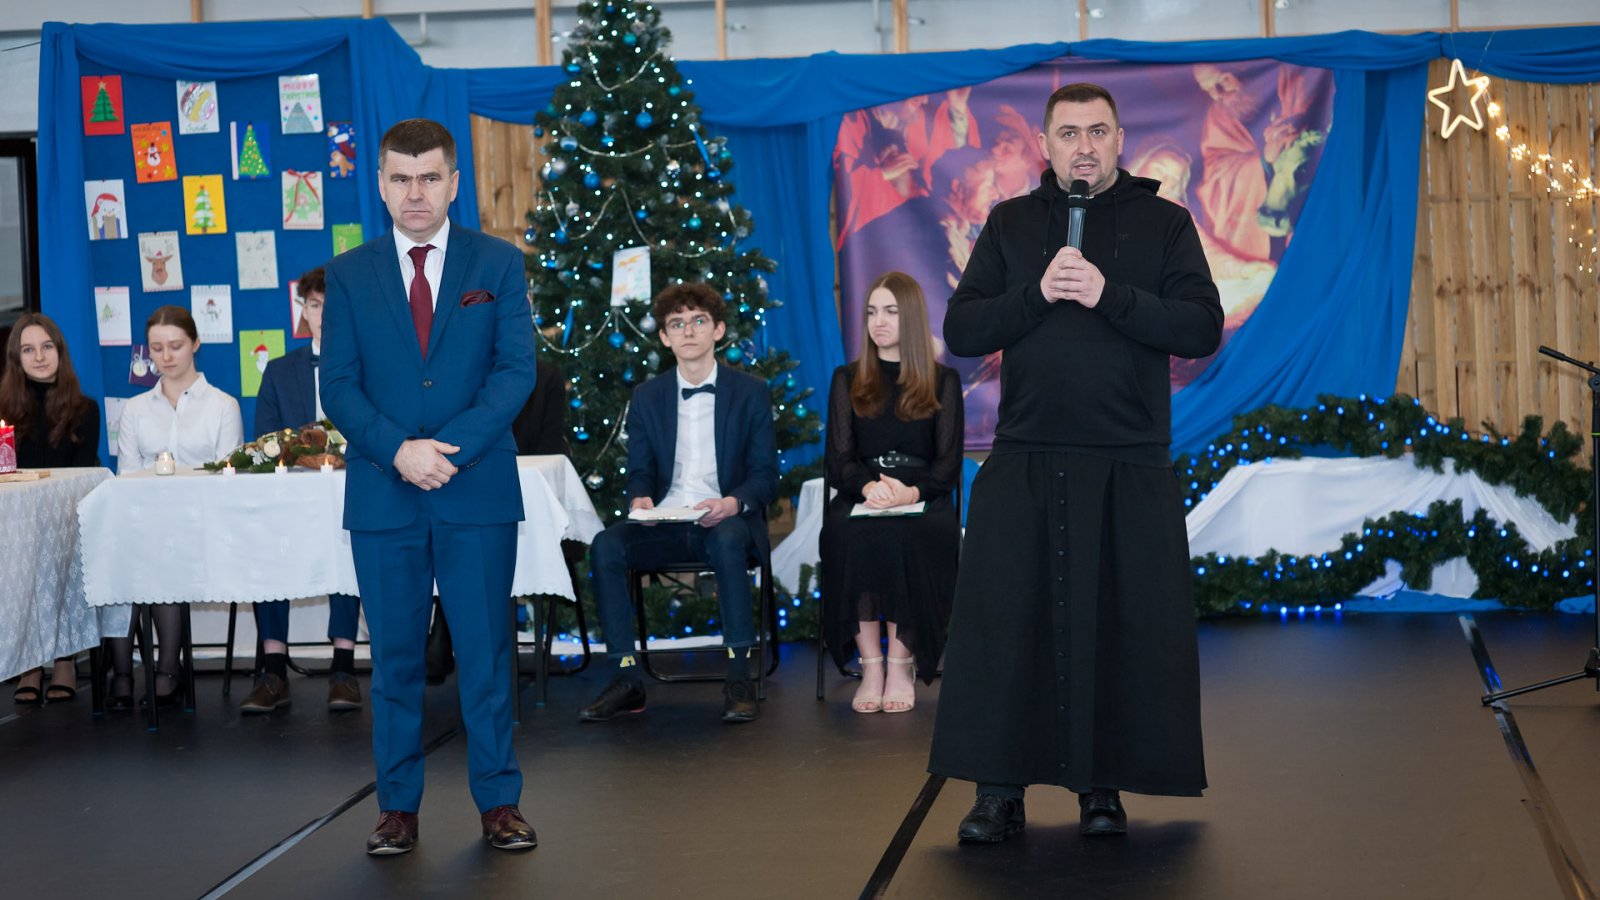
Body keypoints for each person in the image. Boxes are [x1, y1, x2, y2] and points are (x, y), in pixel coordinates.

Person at [928, 83, 1222, 842]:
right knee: (1005, 627)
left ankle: (1102, 787)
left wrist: (1108, 294)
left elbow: (1201, 328)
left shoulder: (1165, 223)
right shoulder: (1010, 222)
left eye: (1097, 131)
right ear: (1046, 145)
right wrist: (1034, 294)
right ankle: (998, 792)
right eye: (1068, 133)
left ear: (1120, 139)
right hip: (1026, 452)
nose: (1083, 147)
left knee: (1118, 629)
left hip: (1127, 459)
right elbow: (963, 329)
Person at [320, 117, 538, 856]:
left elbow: (515, 372)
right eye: (401, 179)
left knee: (486, 656)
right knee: (395, 664)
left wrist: (449, 451)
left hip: (475, 488)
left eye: (430, 177)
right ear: (381, 186)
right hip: (386, 492)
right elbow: (338, 386)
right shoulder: (347, 274)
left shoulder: (497, 264)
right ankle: (397, 809)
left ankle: (499, 803)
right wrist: (398, 451)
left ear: (453, 183)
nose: (416, 192)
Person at [576, 282, 777, 725]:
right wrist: (640, 499)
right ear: (665, 337)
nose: (688, 331)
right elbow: (639, 470)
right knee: (606, 545)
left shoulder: (751, 392)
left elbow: (765, 475)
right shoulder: (647, 396)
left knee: (727, 539)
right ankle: (626, 677)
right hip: (666, 522)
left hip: (725, 521)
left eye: (698, 321)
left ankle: (738, 677)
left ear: (718, 330)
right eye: (677, 323)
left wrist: (733, 503)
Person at [820, 272, 962, 714]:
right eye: (871, 312)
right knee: (847, 534)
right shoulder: (847, 379)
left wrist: (909, 494)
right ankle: (872, 666)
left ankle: (901, 665)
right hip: (863, 491)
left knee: (911, 537)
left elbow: (948, 465)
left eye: (890, 311)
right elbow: (838, 460)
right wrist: (868, 487)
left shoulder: (942, 380)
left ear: (912, 317)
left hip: (922, 495)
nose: (878, 322)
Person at [239, 268, 363, 714]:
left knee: (351, 542)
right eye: (314, 305)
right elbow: (265, 440)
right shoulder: (279, 370)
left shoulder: (367, 365)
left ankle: (344, 668)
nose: (323, 315)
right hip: (289, 497)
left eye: (333, 306)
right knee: (267, 540)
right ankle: (274, 671)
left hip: (349, 491)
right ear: (303, 311)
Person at [112, 305, 244, 709]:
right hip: (146, 522)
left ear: (196, 344)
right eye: (156, 348)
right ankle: (123, 672)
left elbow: (226, 479)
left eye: (176, 346)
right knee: (120, 551)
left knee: (157, 551)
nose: (166, 356)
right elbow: (127, 478)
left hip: (201, 523)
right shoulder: (135, 408)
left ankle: (167, 667)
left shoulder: (222, 405)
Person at [424, 357, 569, 685]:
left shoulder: (544, 375)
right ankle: (448, 631)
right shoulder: (459, 371)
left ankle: (450, 635)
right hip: (465, 483)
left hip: (515, 489)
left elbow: (550, 447)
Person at [0, 313, 101, 704]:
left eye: (46, 347)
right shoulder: (5, 410)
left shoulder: (84, 409)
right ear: (17, 359)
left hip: (66, 523)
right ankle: (29, 662)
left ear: (60, 351)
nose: (39, 357)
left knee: (56, 548)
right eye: (28, 350)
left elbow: (80, 479)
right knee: (20, 552)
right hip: (16, 526)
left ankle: (63, 659)